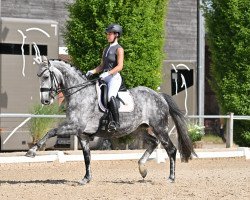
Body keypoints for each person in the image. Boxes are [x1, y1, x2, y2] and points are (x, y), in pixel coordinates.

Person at [86, 23, 124, 131]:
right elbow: (102, 66)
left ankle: (116, 123)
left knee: (110, 96)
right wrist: (92, 71)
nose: (108, 36)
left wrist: (108, 73)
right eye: (107, 34)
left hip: (114, 77)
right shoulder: (106, 48)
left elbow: (120, 66)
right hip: (104, 76)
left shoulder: (119, 49)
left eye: (110, 34)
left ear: (116, 35)